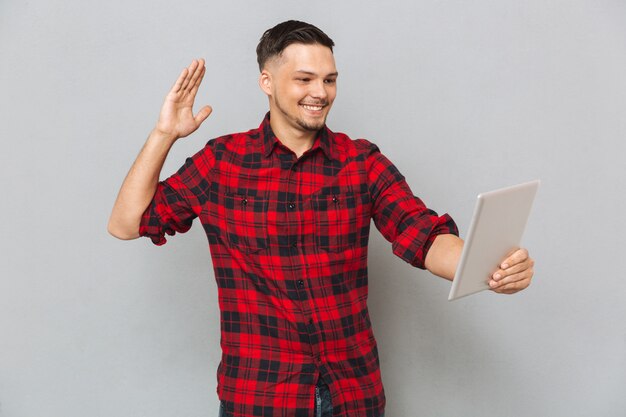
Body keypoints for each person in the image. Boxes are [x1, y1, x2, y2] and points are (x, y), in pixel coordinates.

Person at [108, 20, 534, 417]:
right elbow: (127, 223)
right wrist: (164, 134)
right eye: (305, 79)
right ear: (267, 82)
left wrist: (488, 267)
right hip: (259, 396)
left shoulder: (361, 161)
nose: (321, 92)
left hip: (353, 395)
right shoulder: (222, 162)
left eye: (329, 79)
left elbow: (423, 235)